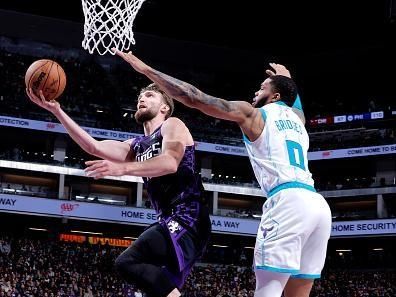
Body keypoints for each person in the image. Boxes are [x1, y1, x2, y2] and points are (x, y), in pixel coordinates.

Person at [113, 49, 332, 297]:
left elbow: (194, 97)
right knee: (299, 291)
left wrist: (145, 69)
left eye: (261, 88)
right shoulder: (297, 118)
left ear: (275, 96)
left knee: (267, 291)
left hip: (287, 202)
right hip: (318, 206)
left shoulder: (253, 114)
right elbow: (294, 102)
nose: (255, 93)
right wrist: (290, 81)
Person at [26, 84, 211, 297]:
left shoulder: (172, 125)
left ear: (164, 108)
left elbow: (170, 162)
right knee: (156, 287)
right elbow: (94, 147)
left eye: (149, 95)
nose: (142, 99)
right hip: (170, 219)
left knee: (127, 261)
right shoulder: (137, 145)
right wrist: (56, 111)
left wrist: (122, 168)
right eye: (140, 96)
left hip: (189, 215)